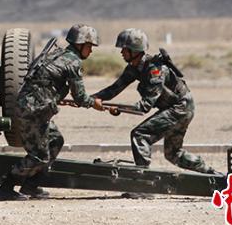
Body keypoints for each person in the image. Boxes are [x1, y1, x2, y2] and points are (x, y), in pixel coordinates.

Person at [0, 24, 103, 201]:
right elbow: (81, 97)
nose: (91, 51)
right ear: (80, 44)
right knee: (39, 155)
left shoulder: (57, 55)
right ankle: (6, 188)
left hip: (35, 109)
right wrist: (95, 104)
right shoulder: (72, 61)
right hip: (33, 112)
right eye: (90, 46)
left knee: (55, 140)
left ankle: (31, 186)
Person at [92, 28, 215, 173]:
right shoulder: (134, 68)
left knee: (140, 135)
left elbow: (145, 106)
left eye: (124, 49)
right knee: (173, 154)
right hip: (178, 108)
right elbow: (113, 89)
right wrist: (91, 99)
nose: (121, 52)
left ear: (135, 50)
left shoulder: (155, 70)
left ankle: (143, 183)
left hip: (180, 108)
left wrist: (117, 109)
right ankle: (211, 174)